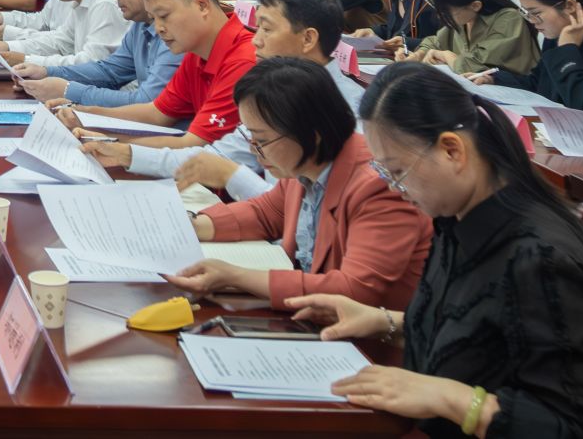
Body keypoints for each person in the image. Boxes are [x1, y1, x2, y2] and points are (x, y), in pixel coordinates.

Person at [286, 63, 583, 438]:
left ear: (452, 150)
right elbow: (480, 335)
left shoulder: (540, 259)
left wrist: (453, 400)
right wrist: (383, 322)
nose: (393, 188)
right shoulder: (456, 218)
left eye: (398, 172)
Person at [167, 57, 431, 311]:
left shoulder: (379, 184)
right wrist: (190, 227)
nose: (254, 150)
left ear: (311, 134)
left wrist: (235, 276)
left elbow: (355, 289)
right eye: (251, 137)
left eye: (262, 140)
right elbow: (265, 213)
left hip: (366, 335)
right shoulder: (306, 164)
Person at [114, 0, 366, 197]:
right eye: (257, 28)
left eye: (267, 29)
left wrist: (231, 176)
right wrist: (124, 154)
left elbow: (298, 211)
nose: (256, 40)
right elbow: (215, 157)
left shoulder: (351, 116)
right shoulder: (274, 92)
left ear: (308, 39)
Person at [59, 0, 258, 149]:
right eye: (154, 18)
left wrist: (112, 144)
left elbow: (192, 145)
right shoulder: (197, 51)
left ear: (202, 5)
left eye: (164, 16)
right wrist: (83, 113)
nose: (158, 28)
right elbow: (156, 113)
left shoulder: (243, 61)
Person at [16, 0, 179, 106]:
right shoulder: (140, 24)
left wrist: (68, 90)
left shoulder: (175, 32)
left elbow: (149, 103)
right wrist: (46, 72)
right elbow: (109, 71)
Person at [412, 0, 539, 78]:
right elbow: (436, 42)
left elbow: (474, 65)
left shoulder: (509, 20)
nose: (440, 16)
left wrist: (446, 55)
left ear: (475, 5)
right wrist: (418, 55)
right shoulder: (464, 19)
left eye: (446, 12)